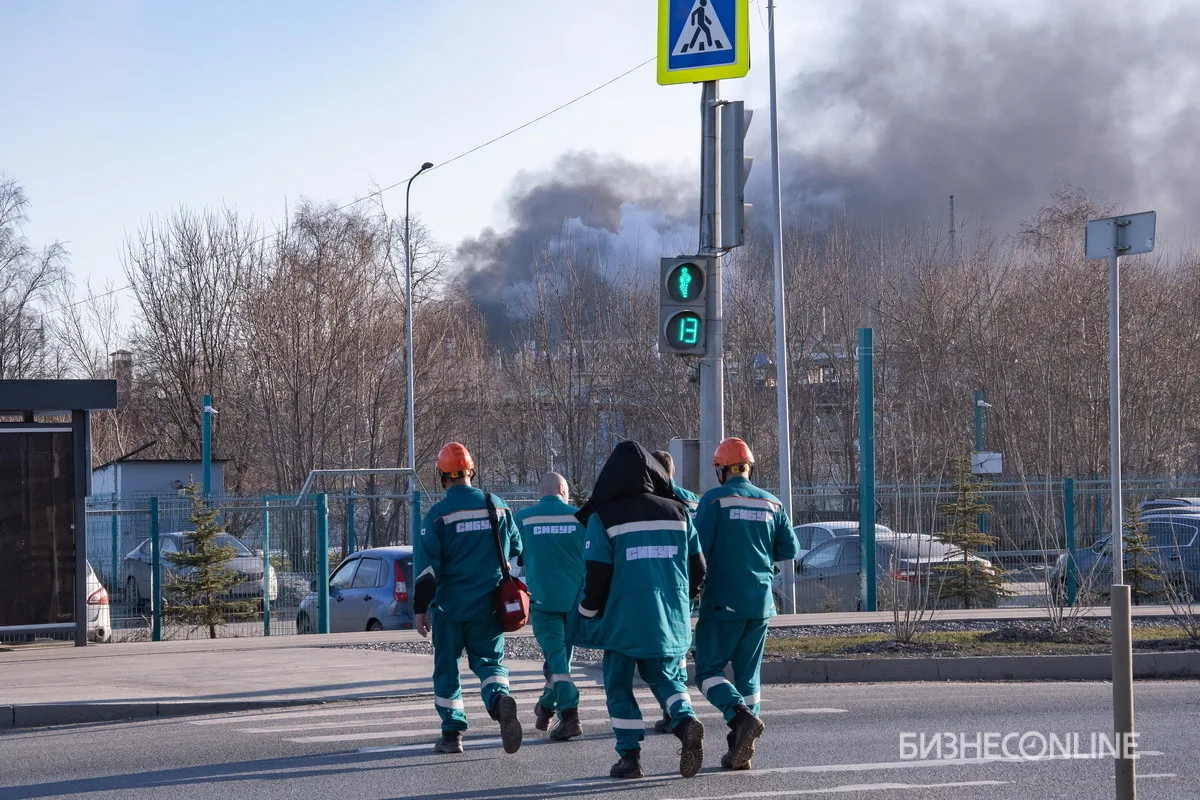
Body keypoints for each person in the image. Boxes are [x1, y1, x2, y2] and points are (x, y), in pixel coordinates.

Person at [574, 440, 707, 780]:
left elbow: (597, 573)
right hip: (667, 616)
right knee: (666, 677)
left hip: (622, 619)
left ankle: (630, 758)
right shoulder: (678, 512)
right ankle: (685, 721)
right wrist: (683, 600)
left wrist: (588, 611)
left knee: (618, 685)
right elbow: (699, 568)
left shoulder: (604, 516)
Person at [693, 437, 799, 771]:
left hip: (723, 601)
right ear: (749, 467)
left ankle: (739, 717)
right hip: (761, 603)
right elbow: (790, 549)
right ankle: (741, 746)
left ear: (721, 470)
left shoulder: (713, 500)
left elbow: (697, 548)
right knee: (749, 677)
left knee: (707, 670)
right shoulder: (772, 503)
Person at [413, 442, 524, 756]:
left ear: (441, 475)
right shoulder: (497, 505)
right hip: (490, 604)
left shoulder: (438, 515)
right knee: (489, 662)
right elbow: (516, 548)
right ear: (471, 471)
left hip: (451, 606)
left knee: (447, 667)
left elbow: (427, 570)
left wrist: (420, 608)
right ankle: (499, 700)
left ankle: (453, 734)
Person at [514, 471, 586, 741]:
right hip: (576, 602)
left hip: (543, 601)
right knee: (561, 660)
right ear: (563, 491)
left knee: (557, 660)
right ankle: (546, 706)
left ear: (541, 492)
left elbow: (513, 555)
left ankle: (570, 715)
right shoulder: (581, 517)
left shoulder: (524, 518)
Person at [649, 448, 699, 735]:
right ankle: (677, 708)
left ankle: (676, 710)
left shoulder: (653, 499)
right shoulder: (693, 500)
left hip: (662, 581)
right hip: (689, 580)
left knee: (663, 652)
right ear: (673, 471)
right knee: (679, 643)